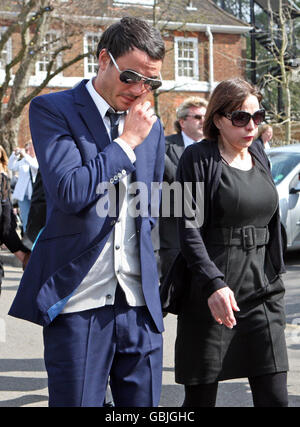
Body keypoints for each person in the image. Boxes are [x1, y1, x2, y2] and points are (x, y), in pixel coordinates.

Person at [9, 17, 166, 407]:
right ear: (103, 60)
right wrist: (127, 141)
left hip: (138, 305)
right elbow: (70, 191)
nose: (140, 90)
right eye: (130, 76)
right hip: (79, 304)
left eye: (151, 82)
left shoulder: (153, 126)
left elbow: (149, 207)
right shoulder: (52, 109)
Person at [174, 78, 289, 407]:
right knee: (200, 400)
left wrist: (275, 271)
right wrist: (213, 283)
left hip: (263, 290)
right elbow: (186, 227)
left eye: (257, 116)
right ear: (219, 119)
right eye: (241, 118)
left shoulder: (259, 152)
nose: (251, 126)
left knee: (276, 397)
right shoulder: (195, 158)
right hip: (213, 291)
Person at [159, 97, 208, 284]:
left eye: (205, 116)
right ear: (182, 122)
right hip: (174, 234)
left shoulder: (216, 147)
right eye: (197, 117)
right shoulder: (163, 146)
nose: (203, 121)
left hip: (208, 234)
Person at [0, 145, 31, 293]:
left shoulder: (3, 174)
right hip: (11, 210)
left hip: (6, 216)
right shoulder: (7, 170)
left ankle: (27, 261)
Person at [8, 141, 38, 232]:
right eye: (27, 149)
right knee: (26, 221)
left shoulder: (38, 159)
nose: (28, 150)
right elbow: (11, 166)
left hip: (36, 195)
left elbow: (35, 167)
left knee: (37, 220)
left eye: (30, 148)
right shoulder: (24, 161)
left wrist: (25, 155)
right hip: (23, 196)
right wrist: (15, 155)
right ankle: (27, 244)